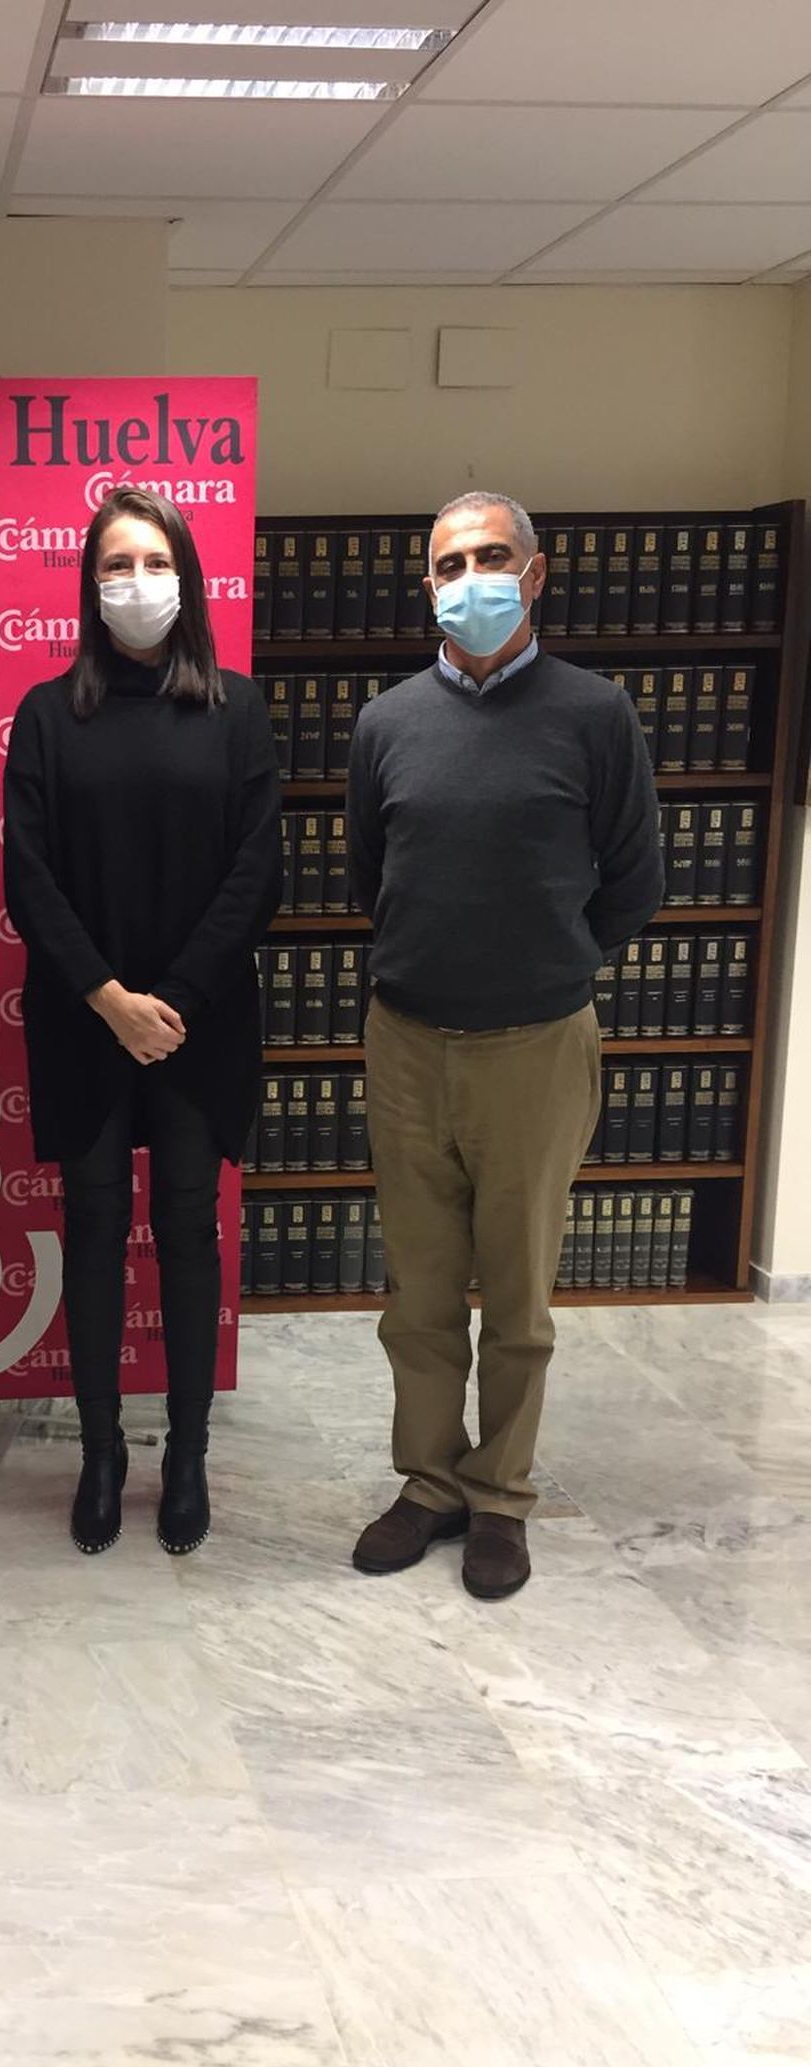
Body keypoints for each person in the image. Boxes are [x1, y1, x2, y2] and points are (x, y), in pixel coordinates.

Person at [346, 489, 663, 1600]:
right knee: (419, 1291)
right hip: (406, 1042)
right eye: (447, 564)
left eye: (489, 556)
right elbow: (368, 876)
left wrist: (548, 962)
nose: (468, 578)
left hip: (535, 1043)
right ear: (426, 586)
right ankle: (428, 1483)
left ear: (532, 574)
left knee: (519, 1295)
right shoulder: (384, 724)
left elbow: (636, 879)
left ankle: (500, 1497)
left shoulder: (594, 713)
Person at [4, 485, 285, 1557]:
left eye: (154, 563)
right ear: (89, 587)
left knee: (184, 1228)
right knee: (88, 1231)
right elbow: (27, 878)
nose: (136, 584)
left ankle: (188, 1455)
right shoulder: (46, 715)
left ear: (187, 579)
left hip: (197, 1024)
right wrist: (110, 1000)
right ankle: (100, 1452)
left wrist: (173, 1000)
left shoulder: (236, 710)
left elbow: (257, 871)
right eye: (115, 565)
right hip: (87, 1019)